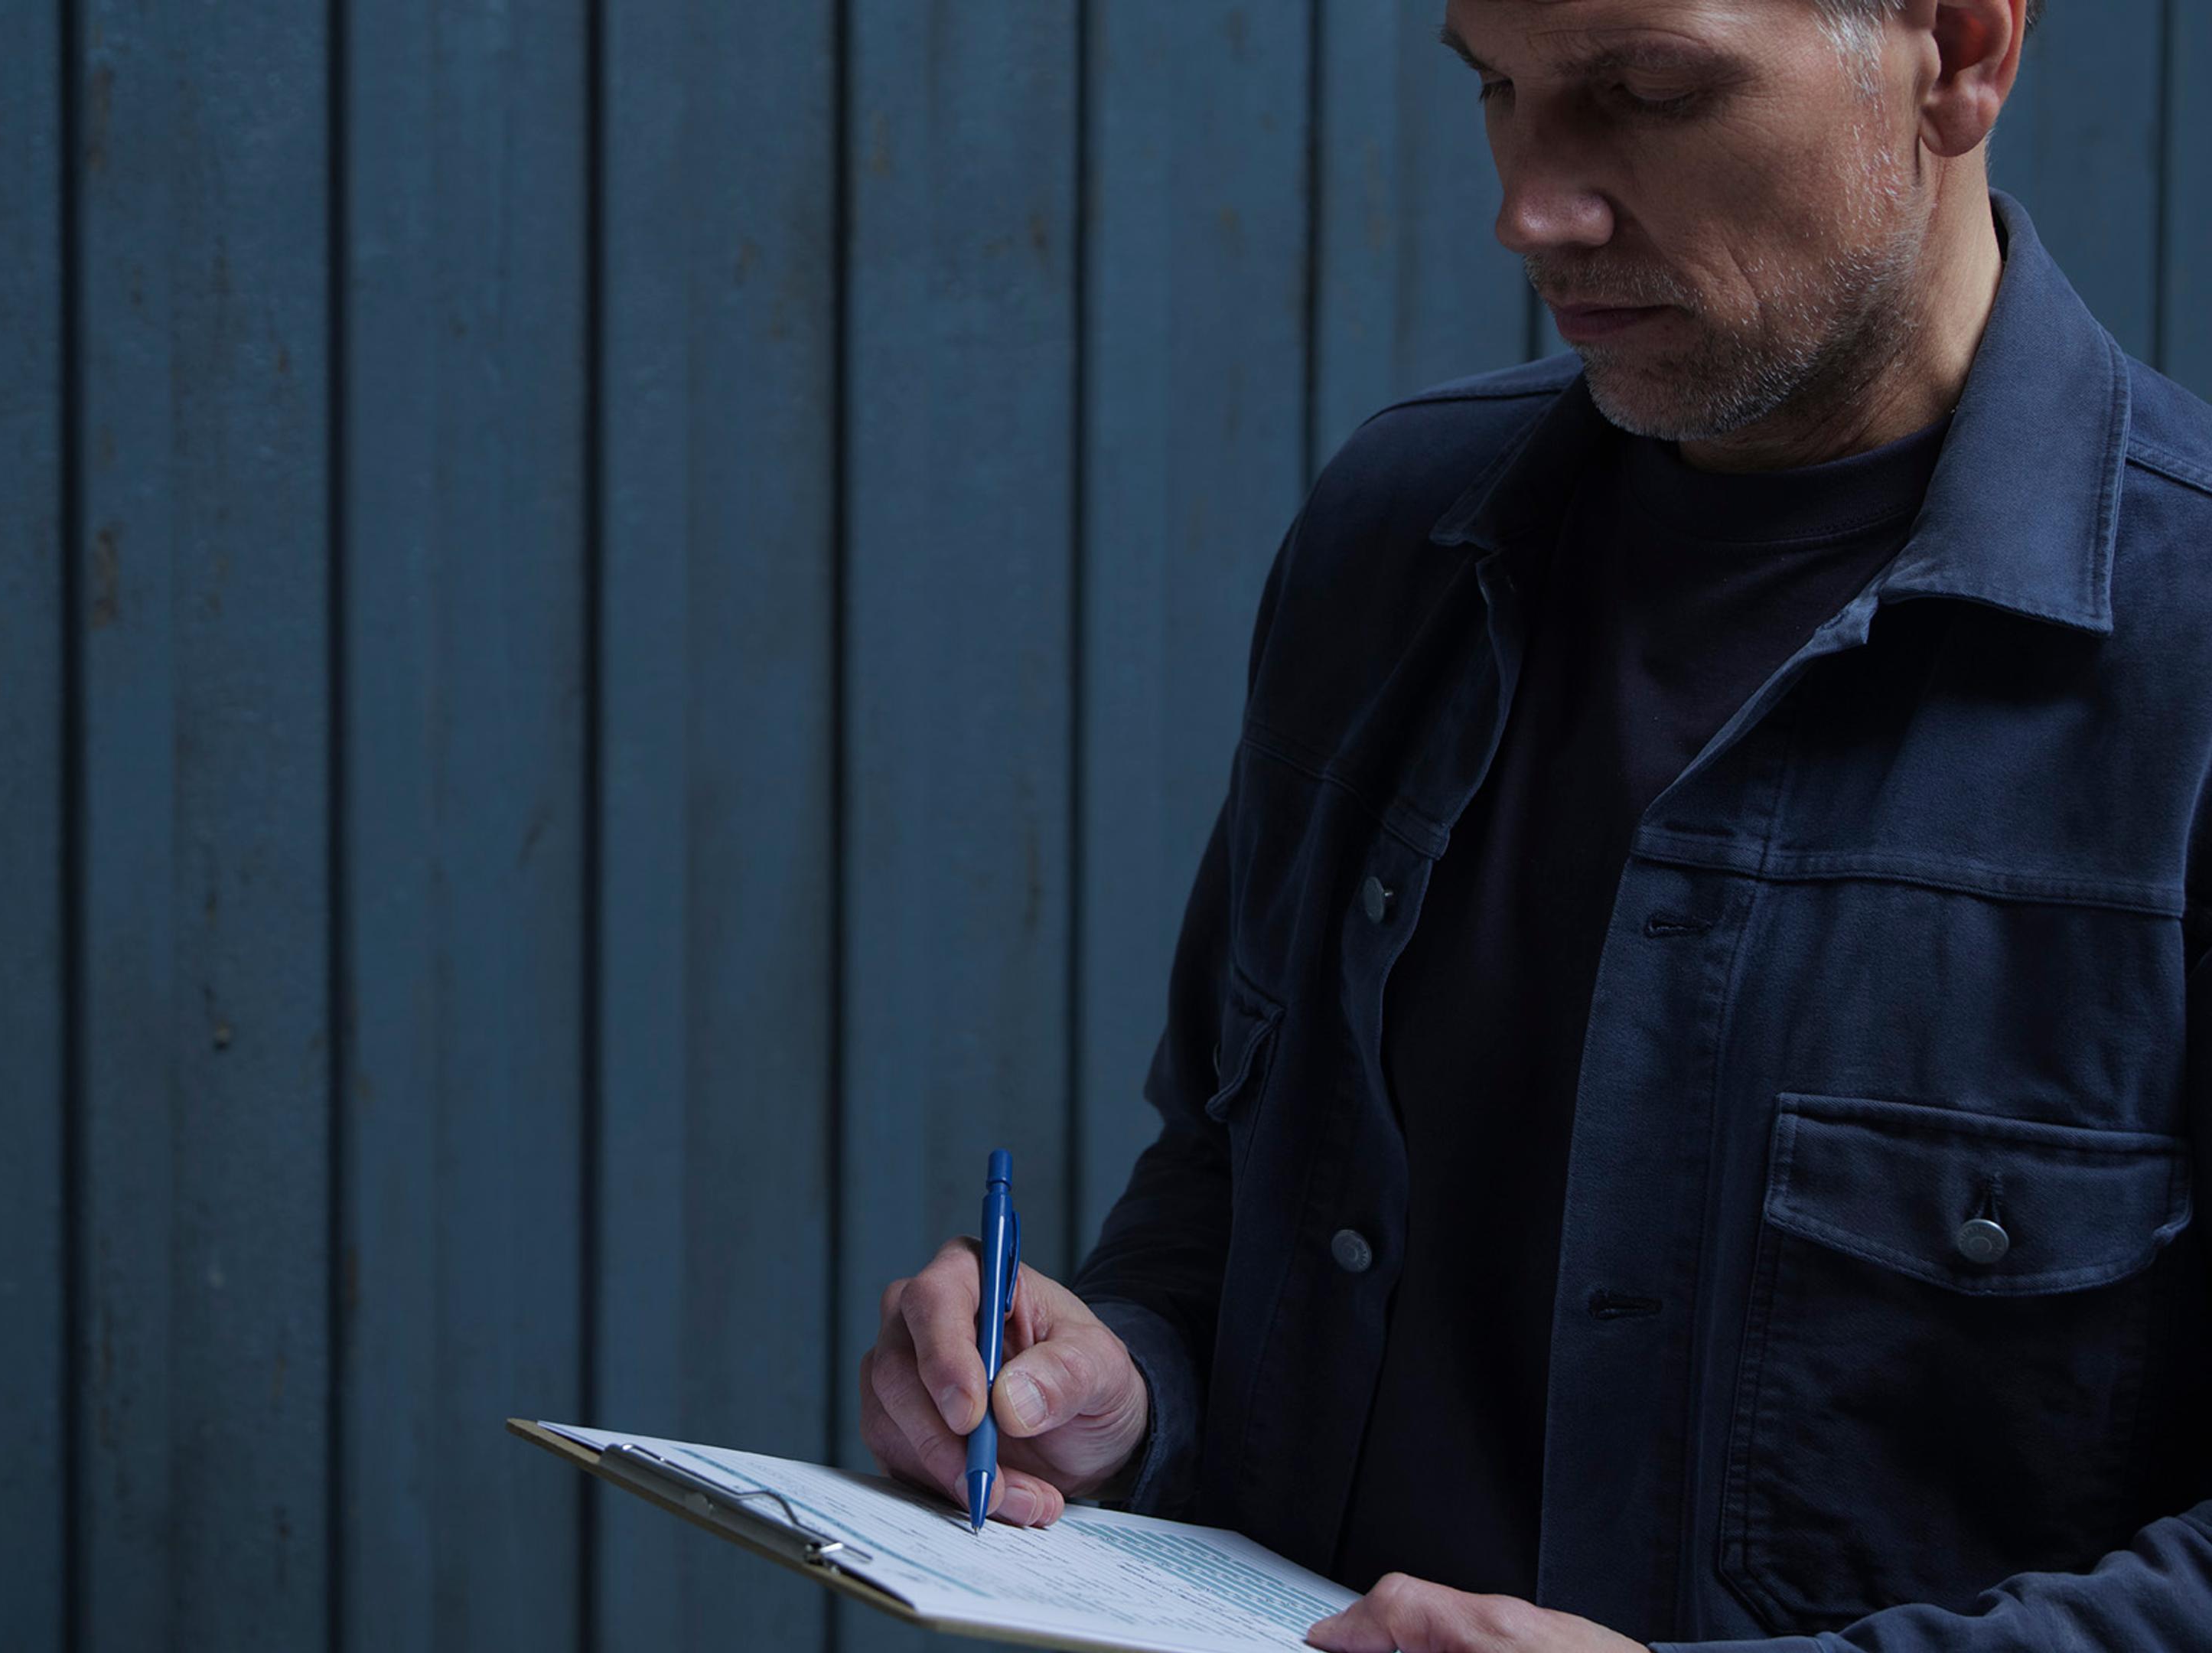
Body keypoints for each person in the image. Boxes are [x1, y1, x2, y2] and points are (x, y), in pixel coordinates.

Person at [858, 1, 2212, 1647]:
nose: (1530, 207)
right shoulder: (1391, 536)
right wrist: (1123, 1381)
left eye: (1644, 92)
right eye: (1499, 89)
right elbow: (1228, 1174)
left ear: (1962, 49)